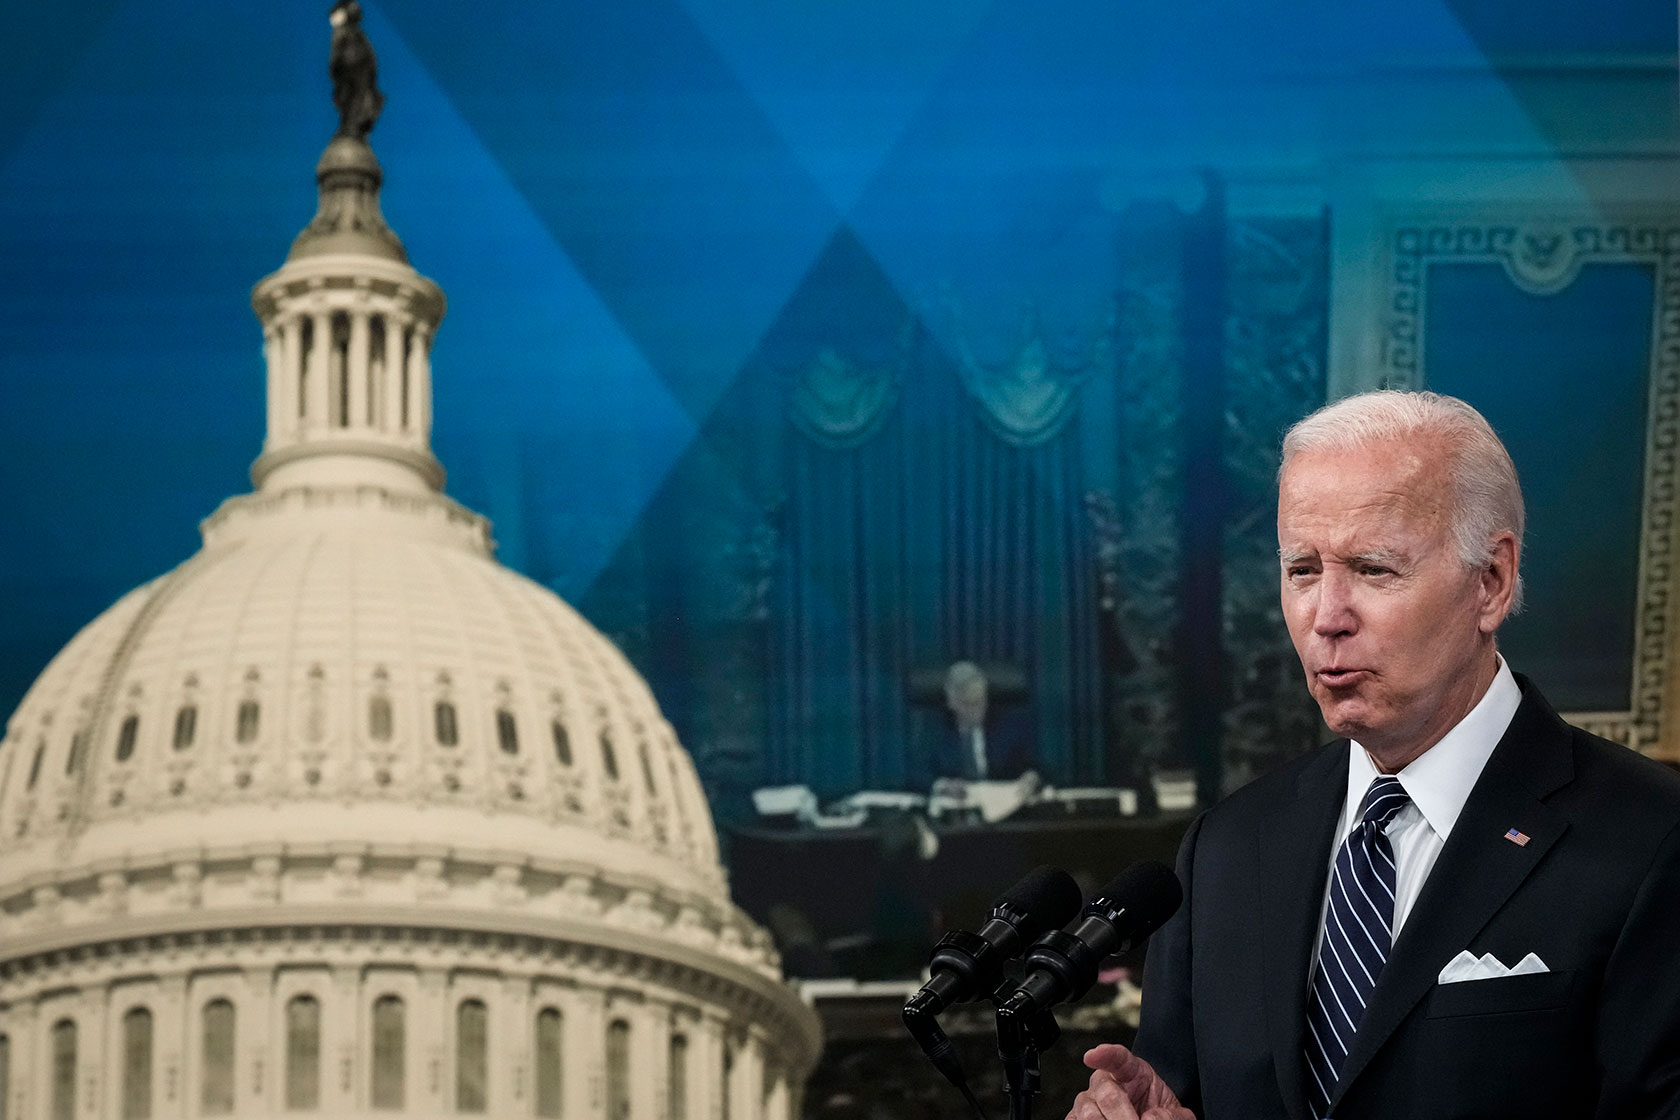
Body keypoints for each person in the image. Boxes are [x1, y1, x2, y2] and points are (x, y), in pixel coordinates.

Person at [1066, 390, 1680, 1120]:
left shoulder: (1652, 840)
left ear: (1492, 582)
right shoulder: (1226, 849)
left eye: (1374, 570)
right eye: (1302, 570)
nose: (1327, 617)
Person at [934, 660, 1035, 782]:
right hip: (954, 800)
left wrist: (1031, 777)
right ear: (951, 702)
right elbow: (919, 779)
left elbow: (1031, 767)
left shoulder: (1008, 728)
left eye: (981, 702)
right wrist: (942, 786)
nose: (978, 711)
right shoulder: (933, 733)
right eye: (969, 704)